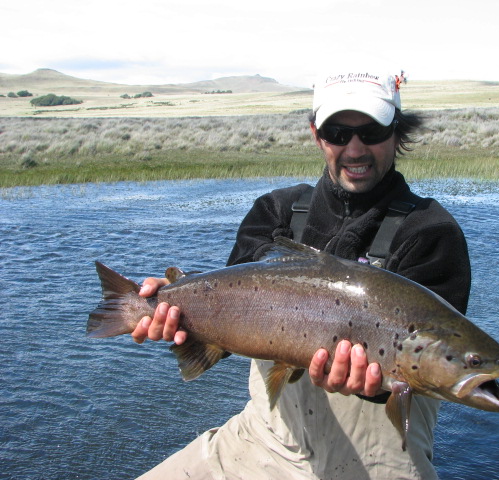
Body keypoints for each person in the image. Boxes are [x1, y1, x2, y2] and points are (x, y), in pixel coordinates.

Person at [132, 70, 471, 479]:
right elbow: (226, 305)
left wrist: (376, 383)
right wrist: (172, 304)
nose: (356, 149)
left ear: (397, 133)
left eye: (373, 131)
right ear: (316, 134)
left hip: (379, 466)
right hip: (262, 444)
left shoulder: (431, 233)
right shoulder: (274, 213)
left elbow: (430, 369)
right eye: (338, 132)